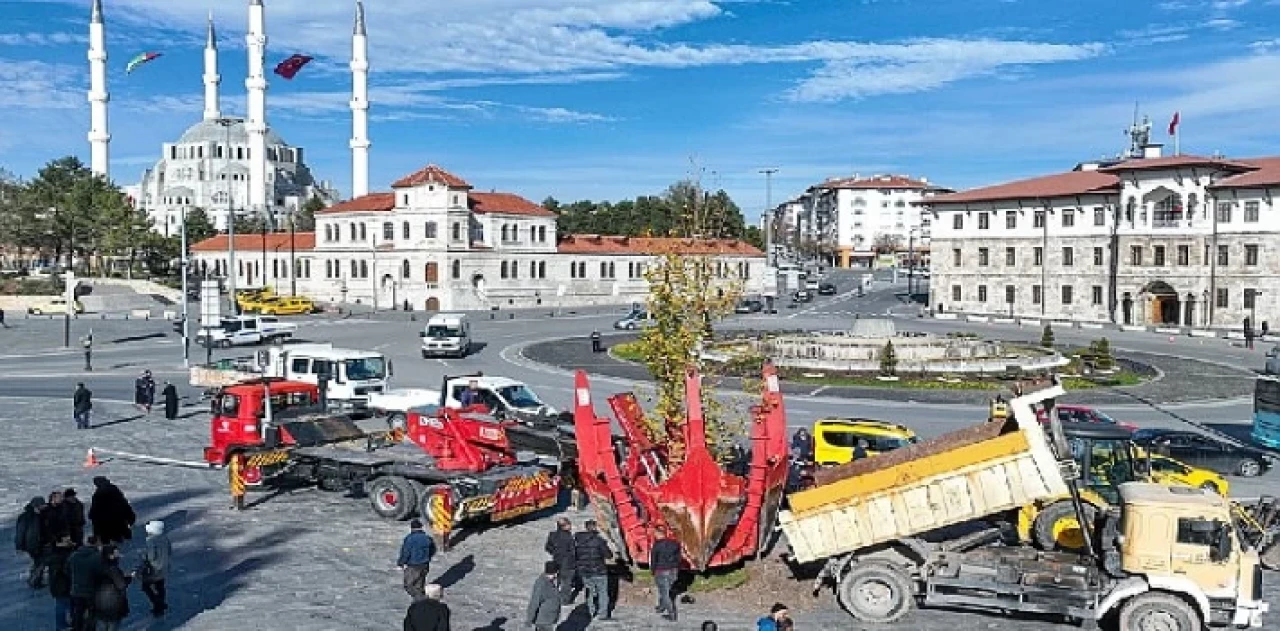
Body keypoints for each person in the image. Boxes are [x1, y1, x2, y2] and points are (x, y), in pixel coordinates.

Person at [574, 519, 614, 620]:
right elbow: (609, 555)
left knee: (589, 591)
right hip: (599, 570)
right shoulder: (599, 541)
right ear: (595, 527)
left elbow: (575, 555)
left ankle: (590, 611)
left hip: (585, 571)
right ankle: (603, 614)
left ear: (586, 527)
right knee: (603, 592)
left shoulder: (577, 541)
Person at [93, 545, 132, 631]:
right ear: (110, 555)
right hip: (112, 605)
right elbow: (121, 584)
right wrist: (128, 578)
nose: (118, 556)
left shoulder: (98, 566)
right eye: (116, 553)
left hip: (99, 605)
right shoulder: (113, 569)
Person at [68, 535, 103, 631]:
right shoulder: (97, 557)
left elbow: (67, 570)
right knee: (92, 613)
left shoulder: (74, 556)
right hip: (91, 591)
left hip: (76, 590)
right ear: (96, 543)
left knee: (78, 613)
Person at [137, 520, 171, 616]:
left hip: (154, 568)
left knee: (146, 586)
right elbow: (169, 552)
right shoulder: (165, 538)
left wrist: (144, 557)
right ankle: (161, 603)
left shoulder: (151, 540)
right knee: (160, 586)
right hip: (164, 567)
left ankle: (157, 604)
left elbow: (151, 556)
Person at [88, 476, 135, 545]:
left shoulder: (98, 494)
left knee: (107, 547)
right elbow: (125, 506)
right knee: (118, 545)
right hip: (119, 525)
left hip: (104, 527)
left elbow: (94, 512)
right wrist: (130, 518)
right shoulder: (116, 492)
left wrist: (92, 517)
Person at [398, 519, 437, 600]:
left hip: (413, 566)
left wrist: (401, 563)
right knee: (419, 586)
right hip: (425, 565)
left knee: (408, 585)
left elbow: (406, 552)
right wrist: (427, 557)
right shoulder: (427, 538)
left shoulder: (409, 539)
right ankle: (418, 602)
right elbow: (433, 550)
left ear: (412, 528)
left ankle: (421, 600)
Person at [650, 524, 681, 621]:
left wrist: (653, 571)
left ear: (658, 533)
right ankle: (661, 607)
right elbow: (679, 558)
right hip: (673, 571)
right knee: (665, 590)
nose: (654, 534)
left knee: (664, 593)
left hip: (661, 570)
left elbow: (654, 559)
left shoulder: (657, 545)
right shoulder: (675, 543)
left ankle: (671, 614)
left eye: (655, 533)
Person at [15, 496, 47, 588]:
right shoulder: (26, 517)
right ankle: (34, 581)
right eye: (42, 505)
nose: (44, 507)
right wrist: (19, 546)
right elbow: (20, 532)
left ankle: (36, 580)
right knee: (39, 562)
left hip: (40, 543)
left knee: (39, 562)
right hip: (32, 544)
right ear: (36, 505)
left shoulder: (41, 515)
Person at [543, 517, 577, 604]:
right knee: (566, 582)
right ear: (564, 526)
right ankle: (564, 600)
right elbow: (573, 551)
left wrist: (554, 552)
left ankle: (553, 596)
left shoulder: (552, 534)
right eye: (569, 524)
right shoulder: (568, 537)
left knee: (557, 580)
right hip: (568, 562)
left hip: (556, 560)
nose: (570, 526)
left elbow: (547, 547)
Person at [47, 533, 76, 631]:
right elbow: (67, 571)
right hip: (64, 585)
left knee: (61, 605)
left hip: (57, 585)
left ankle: (62, 625)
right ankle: (63, 625)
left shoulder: (55, 555)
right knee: (65, 605)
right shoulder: (64, 556)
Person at [525, 561, 562, 631]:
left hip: (549, 619)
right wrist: (529, 619)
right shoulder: (541, 585)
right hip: (543, 621)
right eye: (557, 573)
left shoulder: (551, 581)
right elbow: (534, 603)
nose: (557, 575)